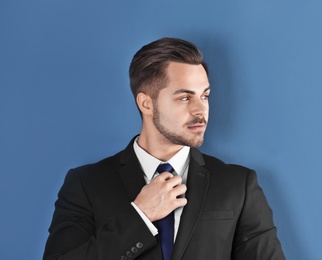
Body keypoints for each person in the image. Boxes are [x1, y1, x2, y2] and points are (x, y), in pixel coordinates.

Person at [43, 37, 285, 260]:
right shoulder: (86, 184)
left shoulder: (238, 184)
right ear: (146, 103)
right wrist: (140, 215)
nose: (200, 110)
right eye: (184, 98)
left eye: (205, 96)